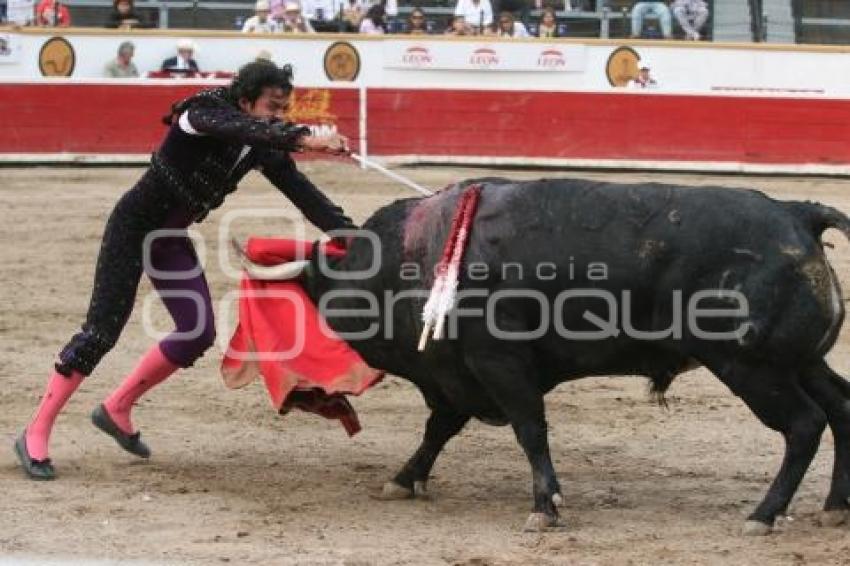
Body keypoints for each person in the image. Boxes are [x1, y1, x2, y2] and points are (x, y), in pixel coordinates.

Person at [14, 61, 355, 481]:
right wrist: (304, 137)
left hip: (169, 239)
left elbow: (305, 195)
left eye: (285, 109)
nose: (279, 116)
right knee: (100, 333)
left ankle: (116, 407)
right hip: (133, 229)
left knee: (197, 332)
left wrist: (352, 235)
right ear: (246, 100)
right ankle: (35, 431)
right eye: (273, 106)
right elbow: (247, 130)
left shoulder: (263, 141)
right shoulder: (201, 113)